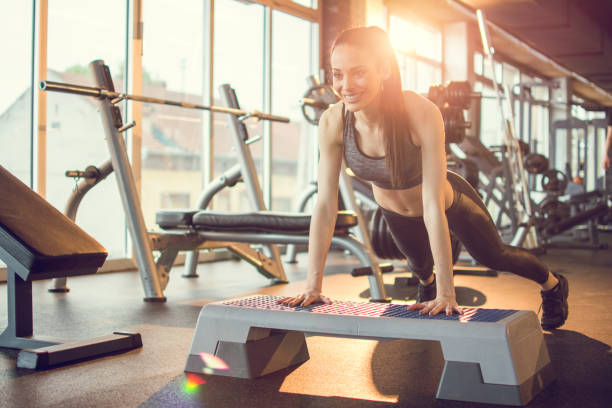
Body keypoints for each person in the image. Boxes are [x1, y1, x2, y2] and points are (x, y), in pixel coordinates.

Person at [279, 26, 569, 330]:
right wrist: (313, 285)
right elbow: (325, 205)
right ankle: (428, 286)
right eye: (338, 74)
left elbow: (432, 203)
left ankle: (553, 285)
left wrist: (448, 292)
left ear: (385, 70)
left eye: (359, 72)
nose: (346, 85)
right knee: (419, 268)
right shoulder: (333, 121)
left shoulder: (419, 112)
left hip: (448, 203)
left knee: (496, 256)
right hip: (395, 213)